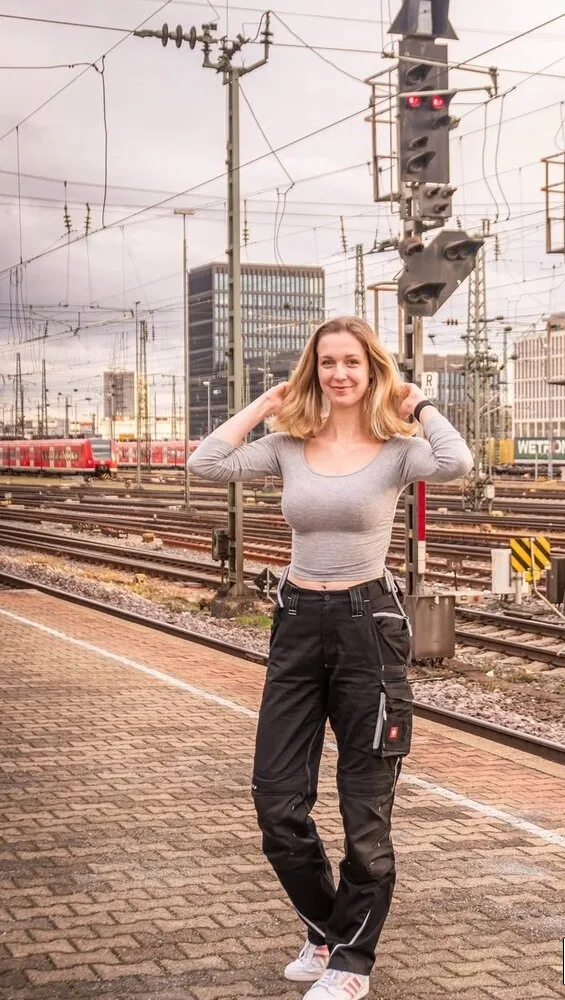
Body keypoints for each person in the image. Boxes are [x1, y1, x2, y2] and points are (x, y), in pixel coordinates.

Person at [188, 316, 472, 999]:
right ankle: (326, 931)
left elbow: (458, 462)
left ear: (372, 370)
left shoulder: (397, 451)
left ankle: (351, 965)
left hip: (368, 629)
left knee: (363, 813)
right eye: (327, 362)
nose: (339, 373)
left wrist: (420, 402)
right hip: (295, 625)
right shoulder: (289, 445)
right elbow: (207, 462)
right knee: (276, 802)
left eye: (352, 362)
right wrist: (266, 403)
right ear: (312, 371)